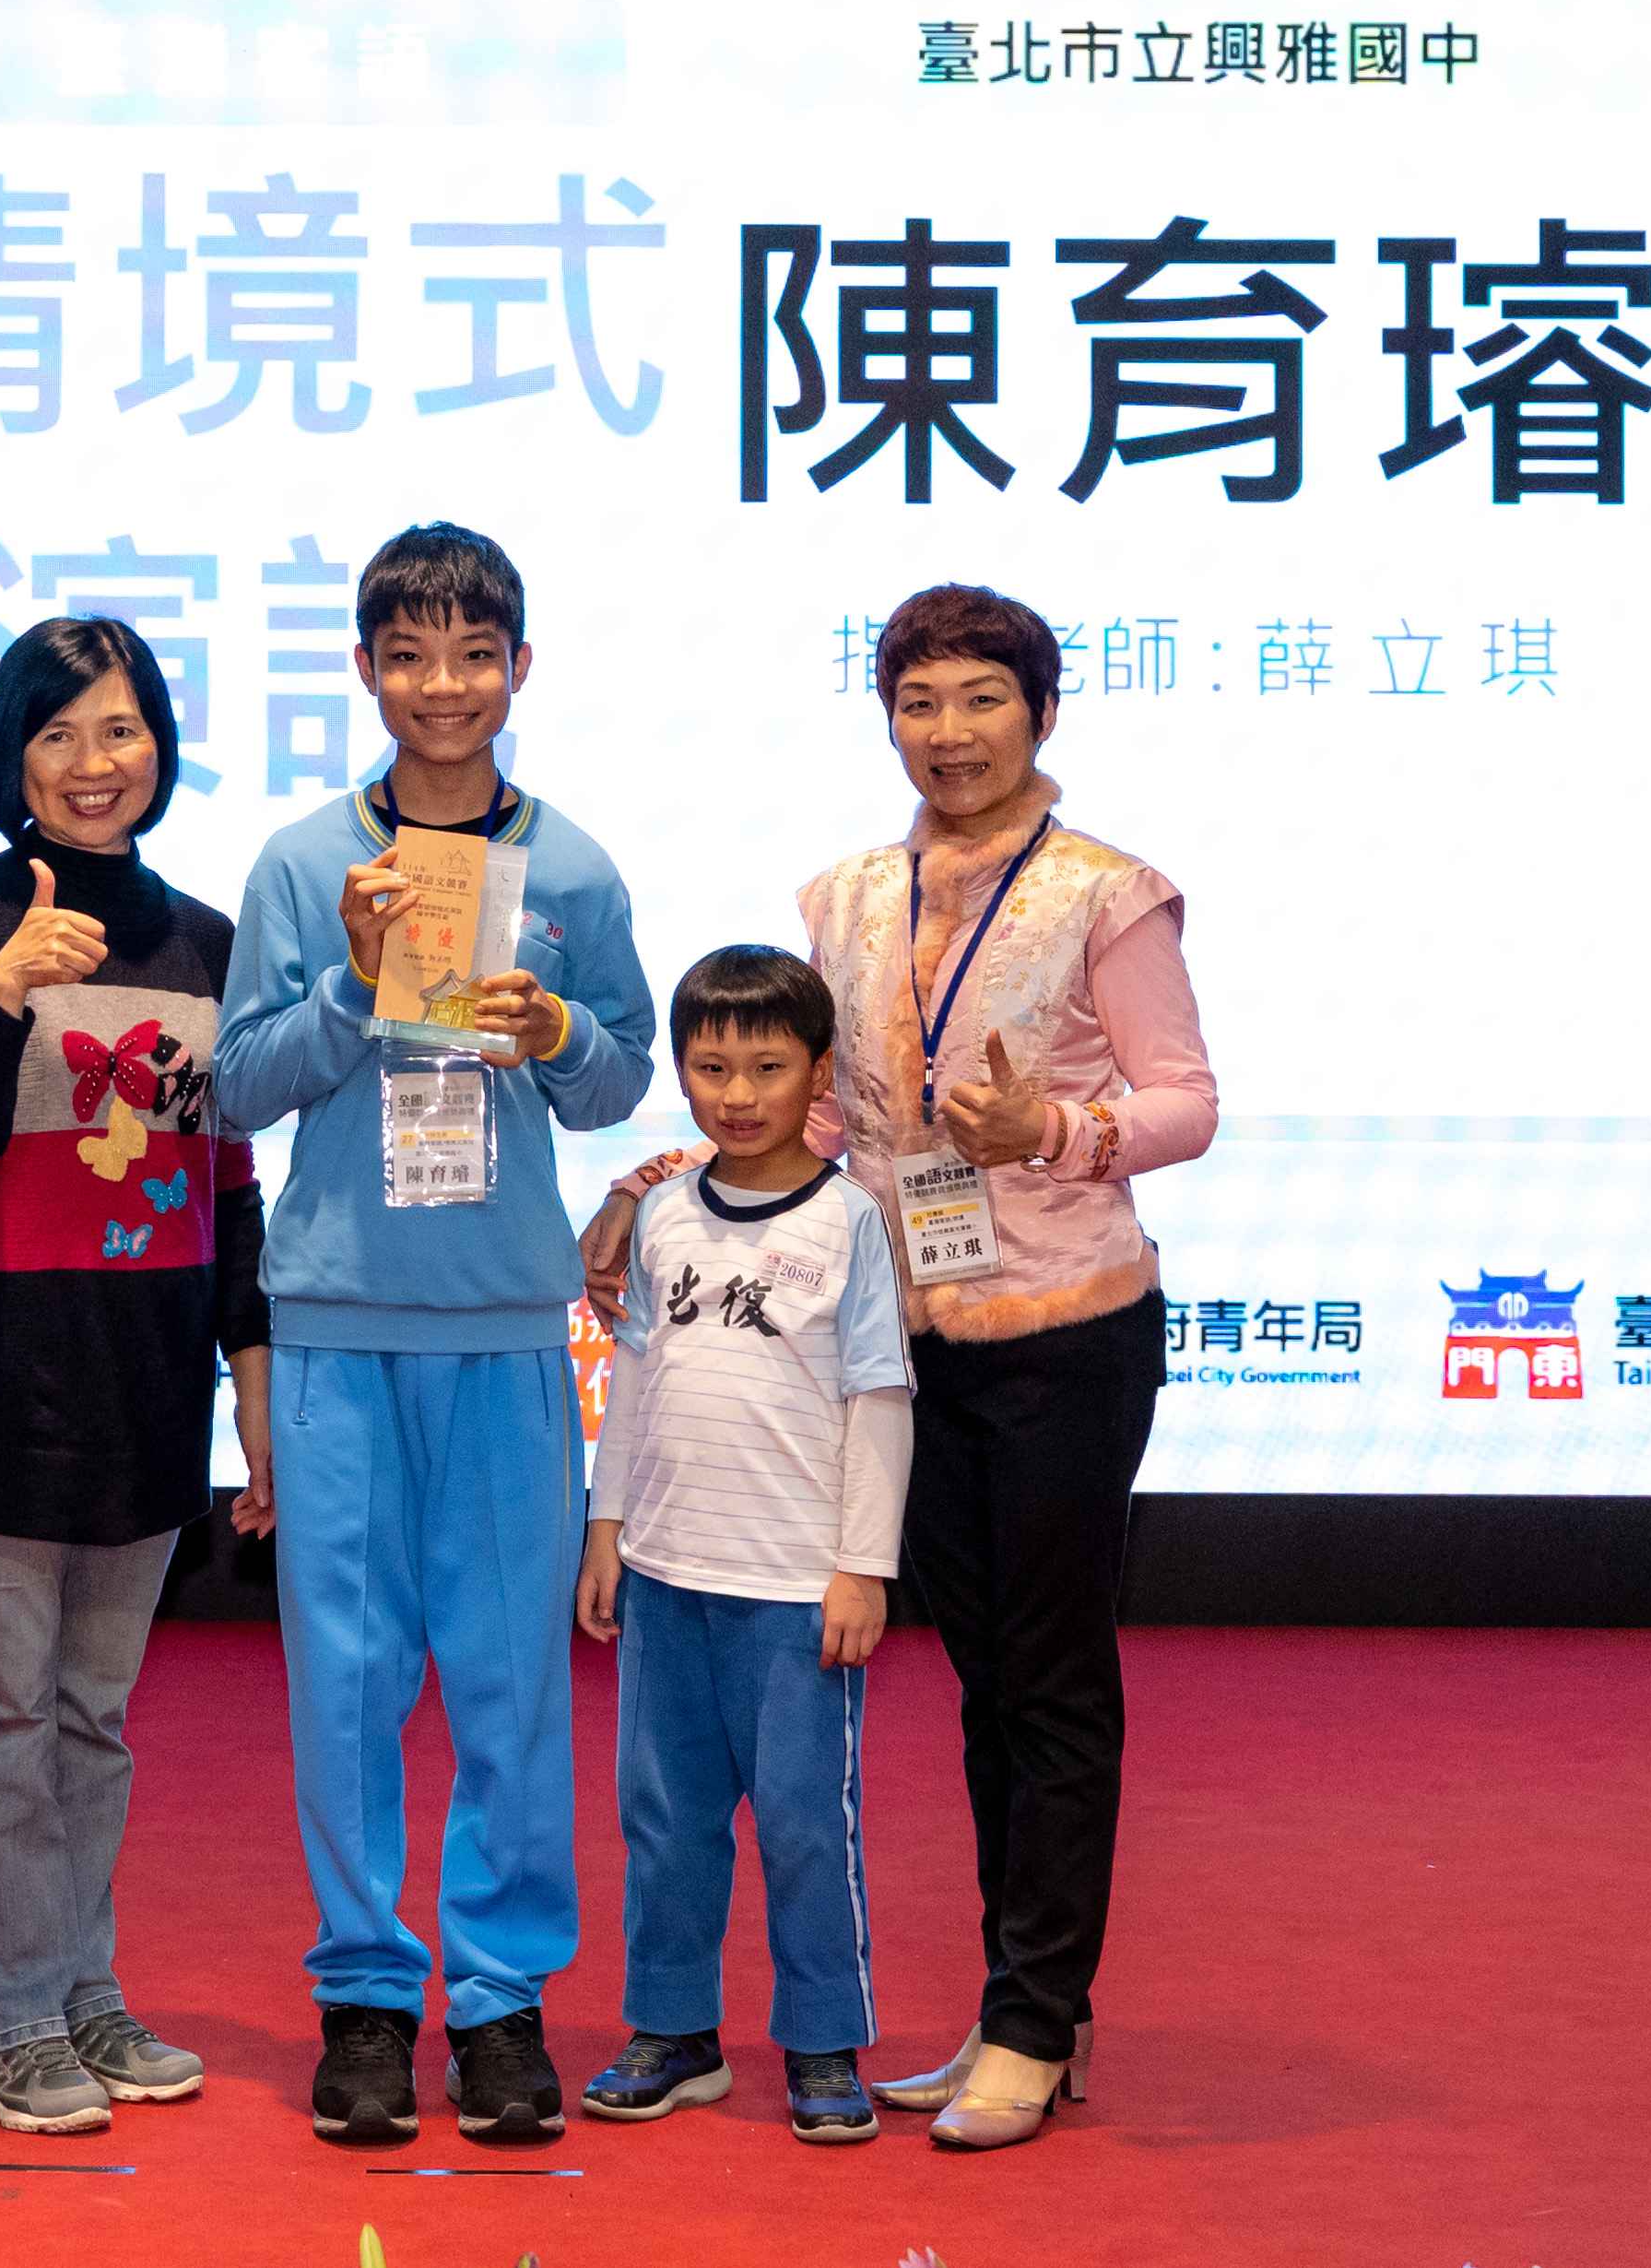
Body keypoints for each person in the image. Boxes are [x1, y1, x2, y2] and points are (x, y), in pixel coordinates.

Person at [582, 582, 1214, 2153]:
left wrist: (1052, 1129)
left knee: (1051, 1684)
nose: (951, 731)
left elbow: (1188, 1100)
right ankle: (1028, 2010)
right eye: (920, 701)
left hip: (1067, 1329)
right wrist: (670, 1185)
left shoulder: (1109, 893)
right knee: (987, 1684)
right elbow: (823, 1116)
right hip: (907, 1341)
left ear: (1042, 712)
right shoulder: (852, 895)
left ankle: (1035, 2019)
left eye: (983, 698)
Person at [213, 520, 658, 2147]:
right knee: (344, 1679)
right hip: (337, 1322)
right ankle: (362, 1993)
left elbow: (624, 1077)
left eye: (474, 653)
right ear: (365, 668)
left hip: (504, 1326)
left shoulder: (577, 868)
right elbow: (235, 1087)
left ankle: (499, 1998)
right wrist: (347, 980)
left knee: (509, 1681)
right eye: (409, 654)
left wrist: (560, 1031)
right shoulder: (301, 862)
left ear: (519, 667)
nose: (443, 684)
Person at [0, 616, 277, 2139]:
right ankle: (7, 2015)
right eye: (57, 734)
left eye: (120, 729)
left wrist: (250, 1381)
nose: (93, 762)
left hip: (148, 1383)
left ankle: (82, 1988)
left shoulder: (206, 942)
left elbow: (226, 1185)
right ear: (12, 757)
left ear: (159, 745)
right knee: (0, 1721)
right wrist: (4, 994)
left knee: (94, 1721)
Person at [572, 944, 911, 2148]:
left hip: (794, 1593)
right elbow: (635, 1377)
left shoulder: (849, 1218)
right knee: (664, 1820)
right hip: (667, 1578)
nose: (739, 1092)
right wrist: (606, 1529)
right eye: (712, 1066)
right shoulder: (663, 1213)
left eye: (768, 1066)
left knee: (808, 1826)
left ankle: (823, 2041)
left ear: (819, 1072)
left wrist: (861, 1565)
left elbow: (880, 1397)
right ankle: (675, 2031)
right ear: (681, 1071)